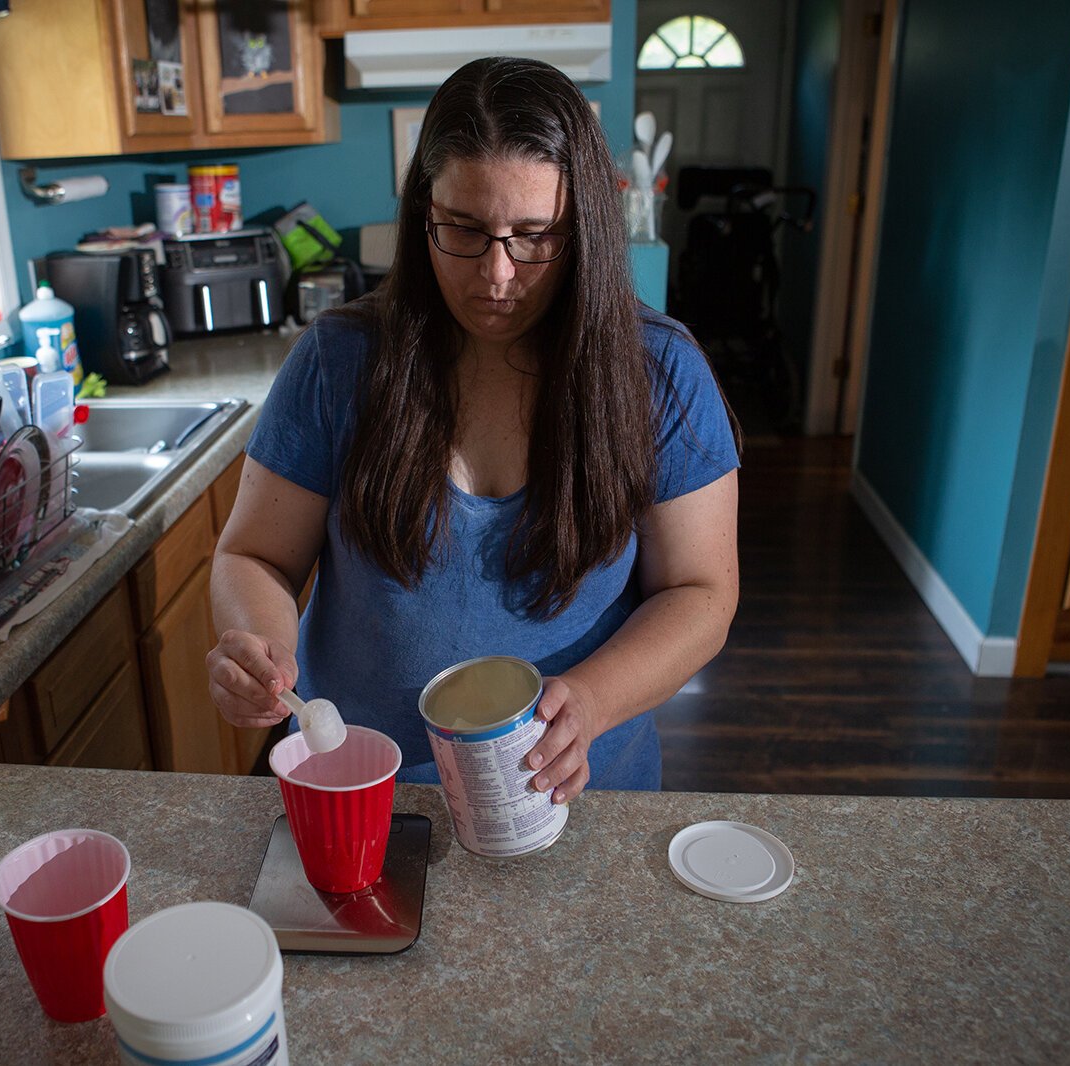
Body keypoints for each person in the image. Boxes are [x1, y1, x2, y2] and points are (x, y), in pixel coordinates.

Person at [207, 56, 740, 804]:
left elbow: (702, 591)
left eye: (534, 234)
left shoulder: (661, 373)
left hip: (577, 798)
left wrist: (591, 702)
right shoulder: (339, 361)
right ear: (423, 211)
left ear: (583, 225)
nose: (497, 272)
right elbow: (253, 555)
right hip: (360, 798)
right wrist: (260, 650)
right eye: (463, 228)